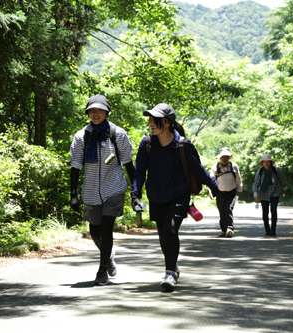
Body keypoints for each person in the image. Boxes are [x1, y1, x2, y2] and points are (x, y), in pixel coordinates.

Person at [131, 103, 218, 292]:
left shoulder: (183, 145)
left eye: (154, 120)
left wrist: (215, 187)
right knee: (163, 236)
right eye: (150, 119)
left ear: (167, 122)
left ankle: (169, 273)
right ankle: (174, 266)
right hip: (156, 196)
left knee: (170, 230)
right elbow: (139, 173)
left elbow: (199, 170)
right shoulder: (147, 143)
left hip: (179, 195)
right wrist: (135, 194)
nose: (150, 122)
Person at [69, 94, 134, 286]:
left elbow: (129, 163)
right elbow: (75, 166)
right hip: (90, 190)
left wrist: (135, 190)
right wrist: (73, 195)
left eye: (99, 110)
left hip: (114, 188)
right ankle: (109, 258)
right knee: (94, 232)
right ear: (88, 113)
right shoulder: (81, 136)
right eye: (92, 110)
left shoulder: (118, 134)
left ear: (106, 112)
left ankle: (102, 271)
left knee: (106, 228)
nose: (95, 113)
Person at [209, 147, 243, 238]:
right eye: (223, 157)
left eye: (226, 157)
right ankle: (224, 230)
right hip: (219, 193)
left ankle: (230, 228)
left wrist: (239, 189)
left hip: (231, 192)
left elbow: (238, 179)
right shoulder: (215, 167)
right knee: (222, 212)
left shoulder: (234, 166)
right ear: (220, 158)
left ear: (229, 157)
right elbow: (211, 180)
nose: (225, 159)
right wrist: (210, 191)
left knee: (228, 209)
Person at [252, 154, 288, 236]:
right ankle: (267, 229)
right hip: (263, 193)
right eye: (264, 161)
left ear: (271, 162)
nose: (266, 163)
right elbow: (255, 183)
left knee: (273, 209)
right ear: (262, 163)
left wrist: (285, 188)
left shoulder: (276, 170)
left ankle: (273, 229)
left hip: (275, 192)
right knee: (265, 212)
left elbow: (281, 180)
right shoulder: (260, 172)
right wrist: (255, 194)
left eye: (268, 161)